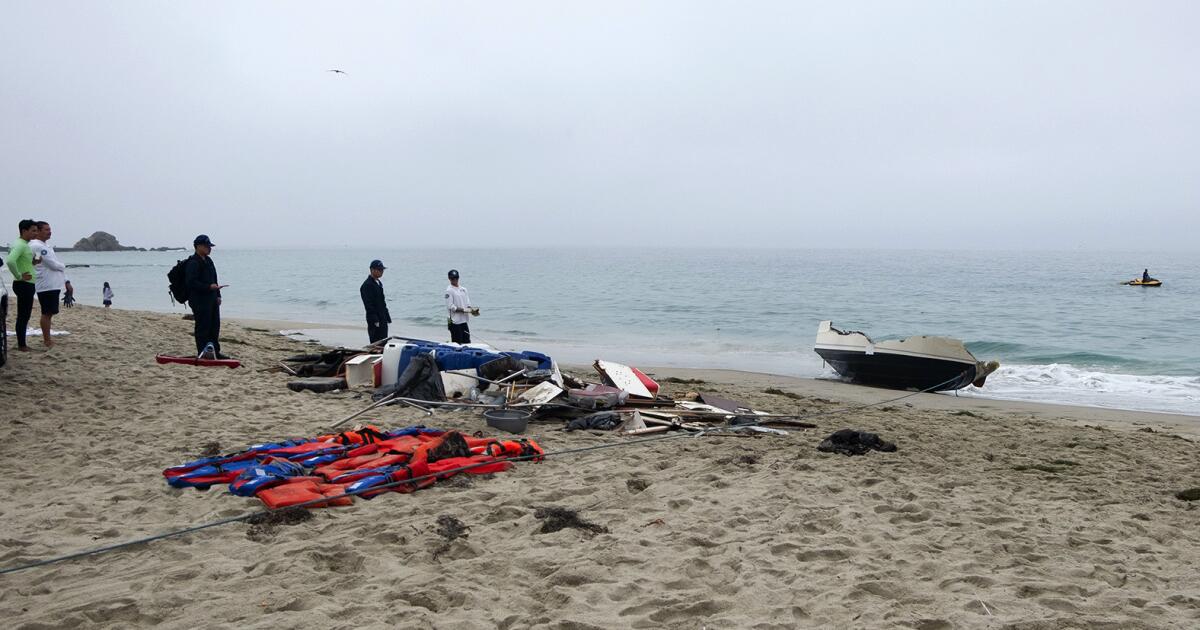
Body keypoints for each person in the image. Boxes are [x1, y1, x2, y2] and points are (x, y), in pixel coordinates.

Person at [183, 234, 227, 358]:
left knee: (214, 326)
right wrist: (208, 287)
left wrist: (218, 295)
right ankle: (202, 352)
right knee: (203, 327)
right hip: (199, 300)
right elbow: (191, 282)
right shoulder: (193, 262)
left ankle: (215, 352)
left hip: (212, 298)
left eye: (210, 246)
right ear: (198, 246)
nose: (209, 248)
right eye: (207, 246)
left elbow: (214, 278)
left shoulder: (208, 260)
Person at [4, 219, 40, 352]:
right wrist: (19, 276)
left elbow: (22, 262)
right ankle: (22, 345)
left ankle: (22, 343)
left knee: (24, 314)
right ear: (24, 231)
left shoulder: (21, 244)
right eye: (33, 231)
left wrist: (34, 262)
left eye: (36, 230)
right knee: (23, 315)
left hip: (24, 284)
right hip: (23, 284)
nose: (36, 233)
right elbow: (10, 261)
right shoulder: (21, 245)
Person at [29, 221, 67, 347]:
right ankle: (47, 340)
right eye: (46, 229)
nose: (49, 232)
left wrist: (66, 280)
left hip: (53, 283)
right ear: (38, 231)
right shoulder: (37, 246)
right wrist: (64, 266)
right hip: (46, 284)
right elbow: (53, 264)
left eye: (50, 229)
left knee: (50, 312)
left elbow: (53, 263)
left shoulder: (46, 246)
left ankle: (47, 338)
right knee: (47, 312)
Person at [359, 259, 391, 343]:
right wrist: (375, 319)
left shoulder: (379, 283)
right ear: (372, 270)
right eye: (379, 270)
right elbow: (368, 304)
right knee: (375, 342)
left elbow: (382, 302)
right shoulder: (367, 285)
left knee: (384, 340)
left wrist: (387, 316)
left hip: (382, 317)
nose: (381, 272)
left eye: (382, 270)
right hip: (374, 319)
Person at [444, 268, 478, 344]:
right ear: (449, 279)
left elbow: (468, 304)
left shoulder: (464, 289)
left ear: (458, 278)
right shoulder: (449, 290)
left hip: (464, 320)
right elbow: (451, 306)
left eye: (456, 278)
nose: (455, 280)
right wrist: (463, 310)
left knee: (467, 341)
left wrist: (473, 311)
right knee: (457, 342)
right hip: (454, 321)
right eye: (452, 278)